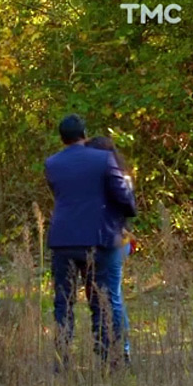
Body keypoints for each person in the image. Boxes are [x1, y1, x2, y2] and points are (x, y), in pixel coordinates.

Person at [44, 115, 136, 367]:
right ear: (84, 133)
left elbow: (61, 194)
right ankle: (108, 357)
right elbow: (123, 196)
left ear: (61, 138)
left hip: (63, 239)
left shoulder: (52, 163)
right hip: (97, 238)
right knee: (101, 299)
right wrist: (128, 209)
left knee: (63, 301)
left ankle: (61, 358)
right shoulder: (103, 159)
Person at [85, 136, 136, 364]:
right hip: (107, 240)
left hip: (114, 240)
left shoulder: (115, 178)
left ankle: (121, 348)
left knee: (113, 295)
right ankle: (106, 345)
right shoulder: (115, 175)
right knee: (102, 294)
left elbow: (124, 210)